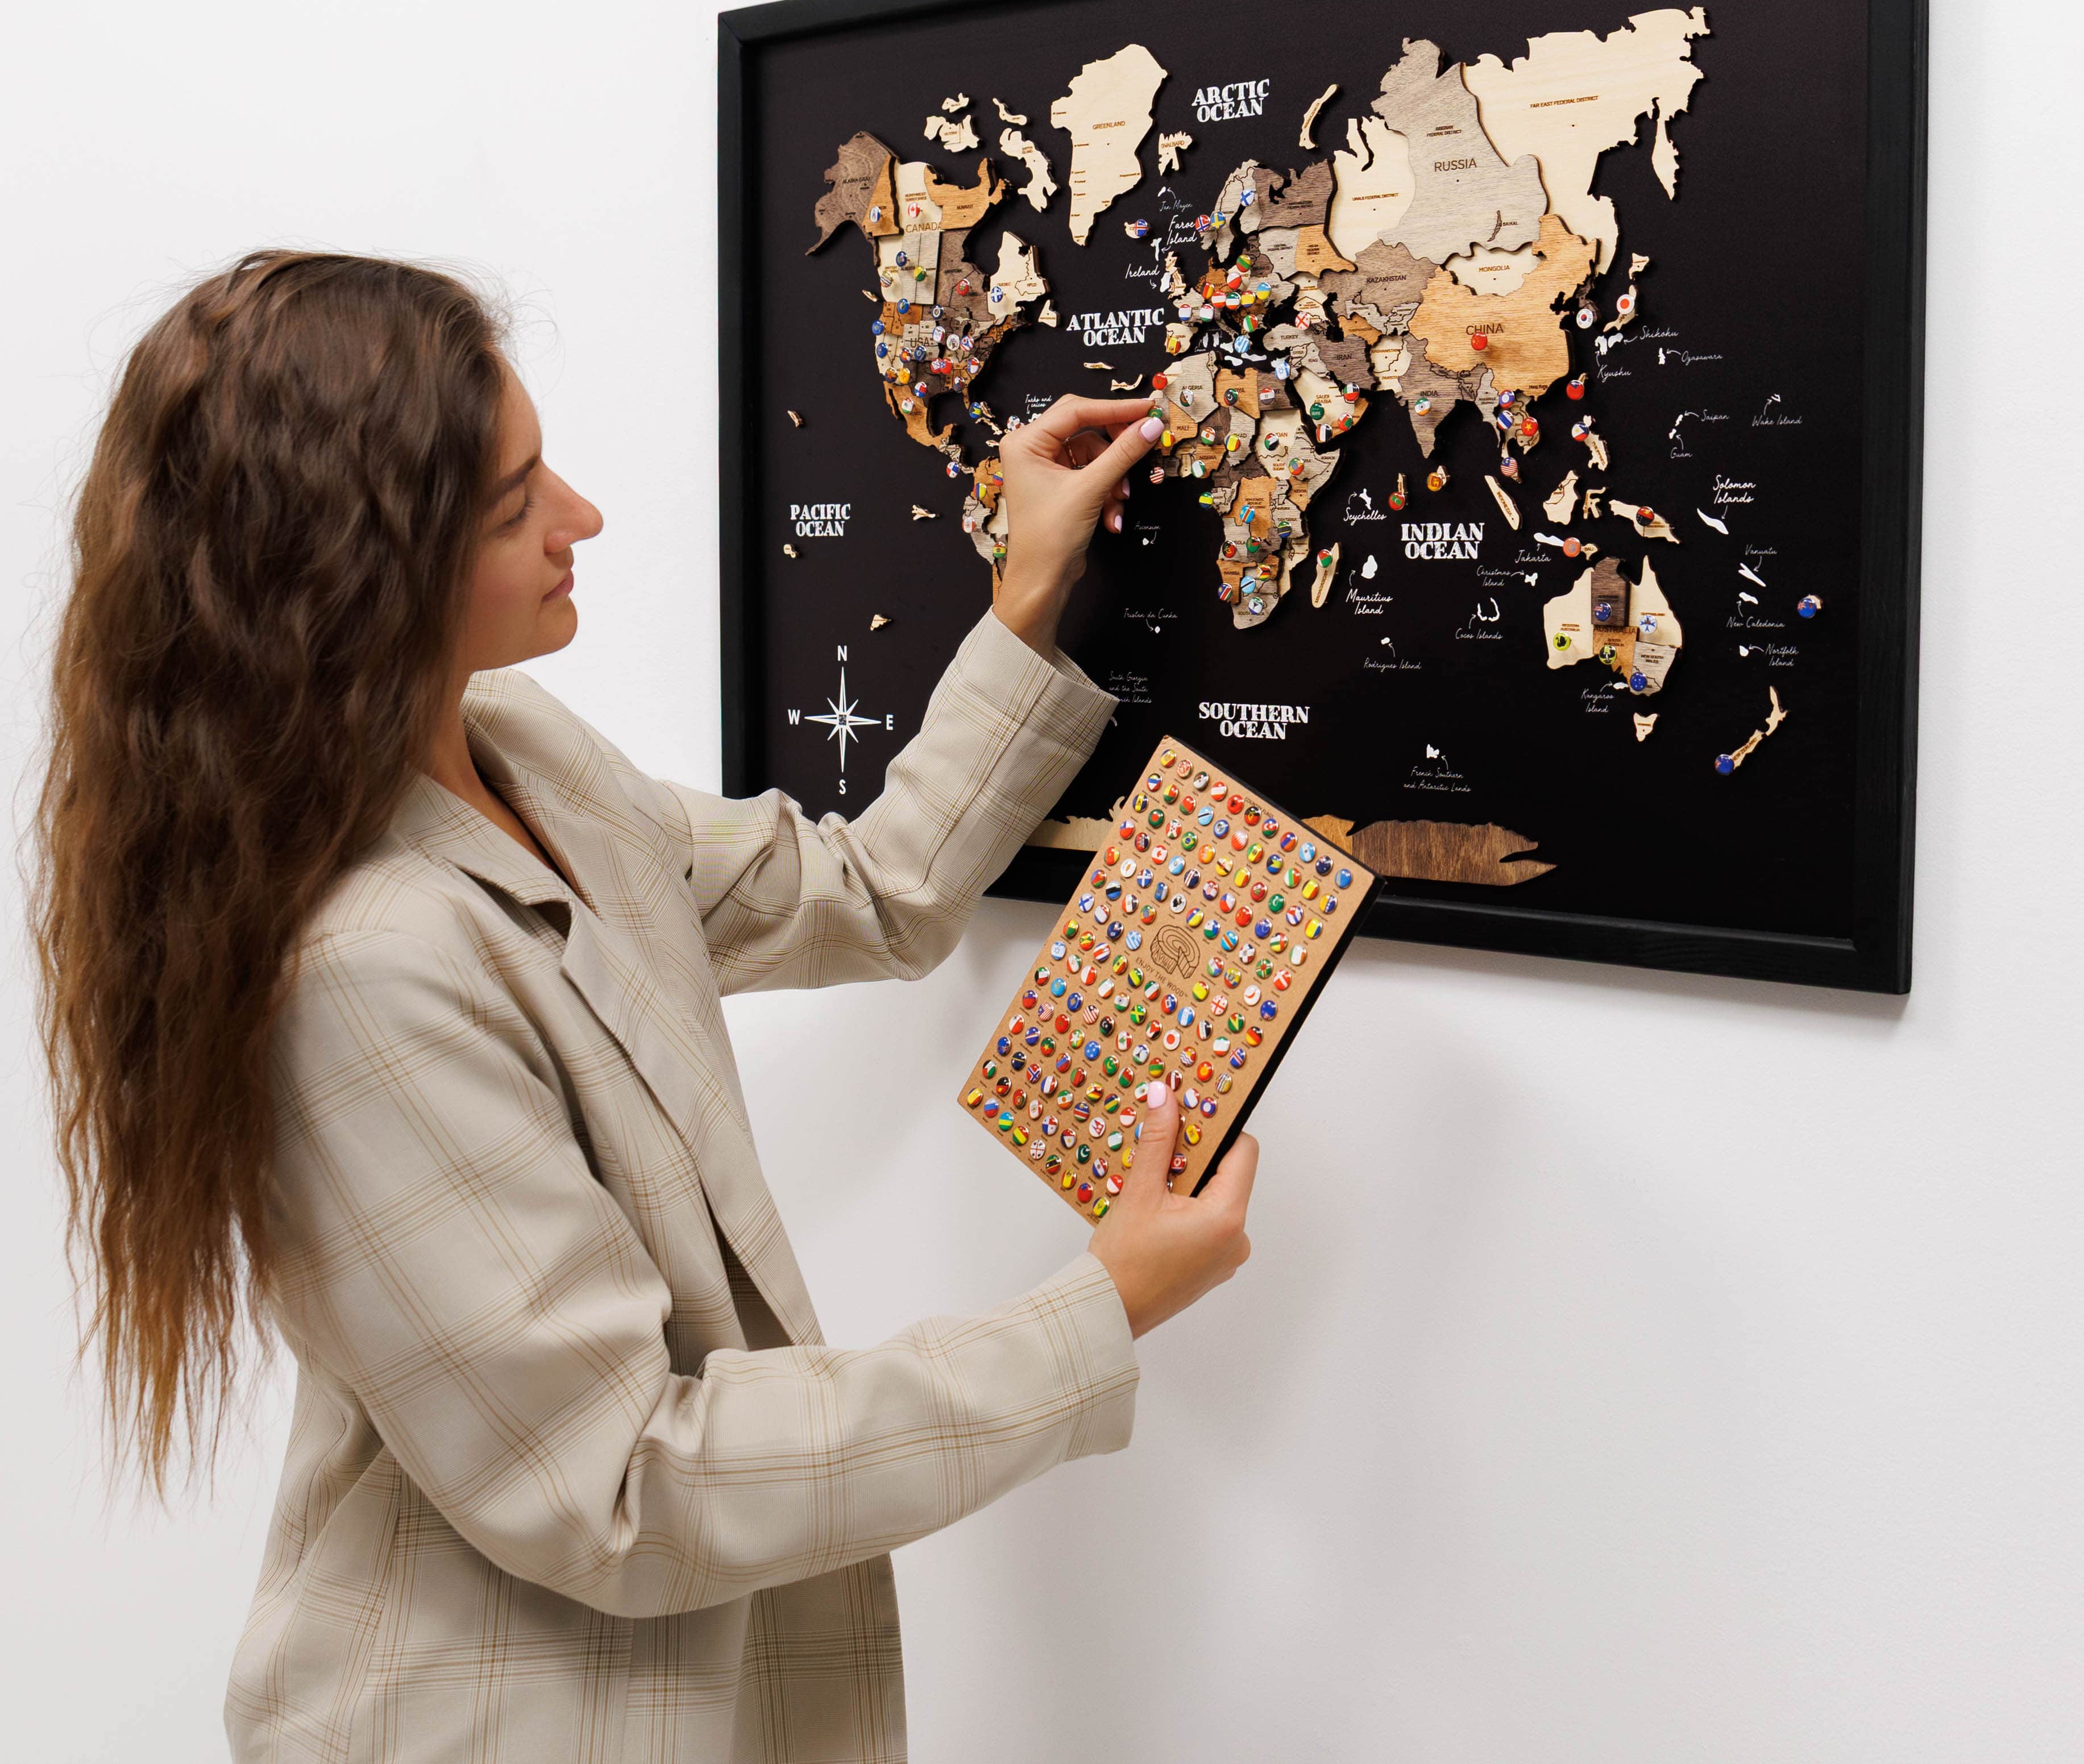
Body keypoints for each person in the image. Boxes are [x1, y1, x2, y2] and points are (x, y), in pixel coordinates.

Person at [32, 251, 1258, 1763]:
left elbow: (865, 893)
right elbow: (623, 1481)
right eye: (512, 504)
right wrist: (1097, 1313)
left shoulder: (521, 749)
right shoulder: (361, 967)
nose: (581, 520)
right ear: (357, 572)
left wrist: (1025, 596)